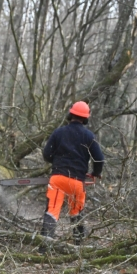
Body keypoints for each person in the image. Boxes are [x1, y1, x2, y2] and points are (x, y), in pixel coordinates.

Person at [40, 101, 104, 246]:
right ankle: (78, 246)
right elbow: (99, 159)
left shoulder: (59, 132)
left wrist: (56, 162)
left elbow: (46, 154)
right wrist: (96, 172)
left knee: (52, 212)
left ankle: (44, 246)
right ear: (85, 118)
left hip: (58, 179)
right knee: (76, 212)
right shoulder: (89, 136)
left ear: (70, 114)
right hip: (77, 182)